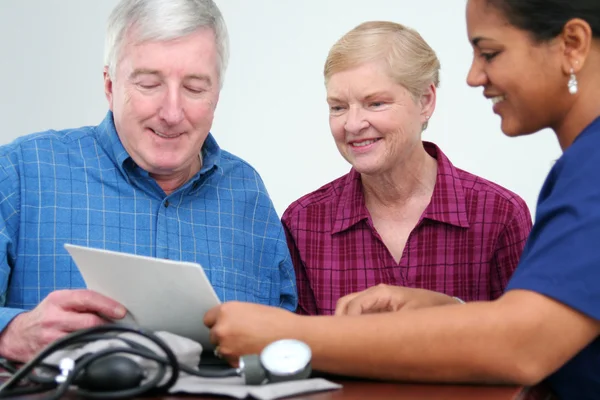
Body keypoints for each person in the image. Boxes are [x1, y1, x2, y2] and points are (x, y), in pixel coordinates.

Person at [204, 0, 600, 398]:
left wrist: (286, 335)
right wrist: (451, 311)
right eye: (338, 107)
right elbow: (537, 329)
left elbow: (524, 347)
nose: (473, 76)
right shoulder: (578, 169)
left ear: (573, 45)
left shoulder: (576, 178)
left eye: (491, 53)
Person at [0, 0, 297, 362]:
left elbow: (287, 349)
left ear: (217, 96)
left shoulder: (248, 196)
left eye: (194, 88)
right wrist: (10, 333)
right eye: (149, 83)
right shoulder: (20, 174)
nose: (172, 113)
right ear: (110, 85)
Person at [281, 21, 532, 316]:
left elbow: (530, 343)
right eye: (338, 107)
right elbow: (300, 352)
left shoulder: (499, 215)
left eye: (375, 103)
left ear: (425, 101)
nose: (352, 124)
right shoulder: (303, 223)